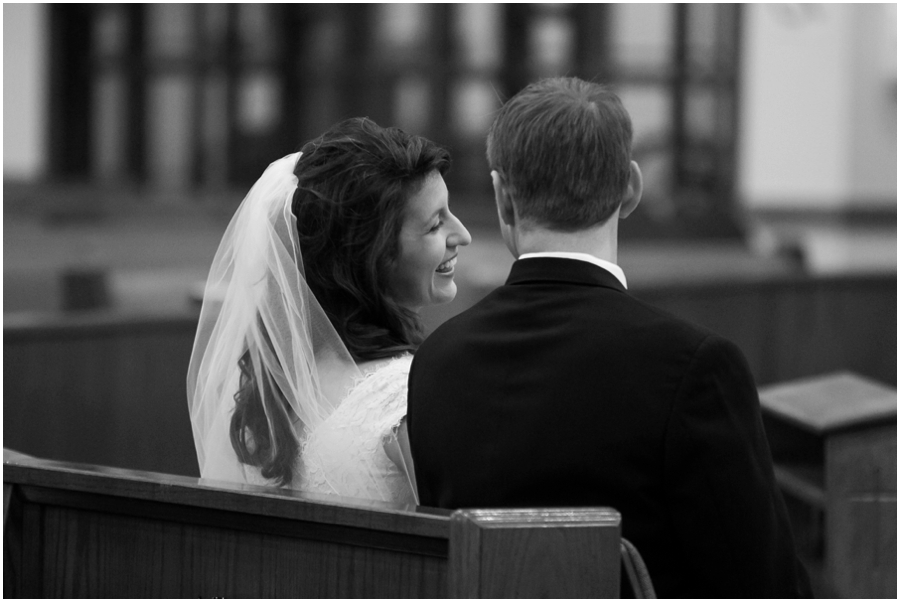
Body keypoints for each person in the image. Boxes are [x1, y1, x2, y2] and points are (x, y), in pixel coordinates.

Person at [406, 78, 811, 598]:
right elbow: (766, 585)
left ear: (502, 196)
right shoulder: (695, 368)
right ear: (632, 189)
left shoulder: (439, 359)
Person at [188, 117, 471, 506]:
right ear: (369, 256)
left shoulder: (269, 395)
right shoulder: (405, 396)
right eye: (435, 224)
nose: (463, 235)